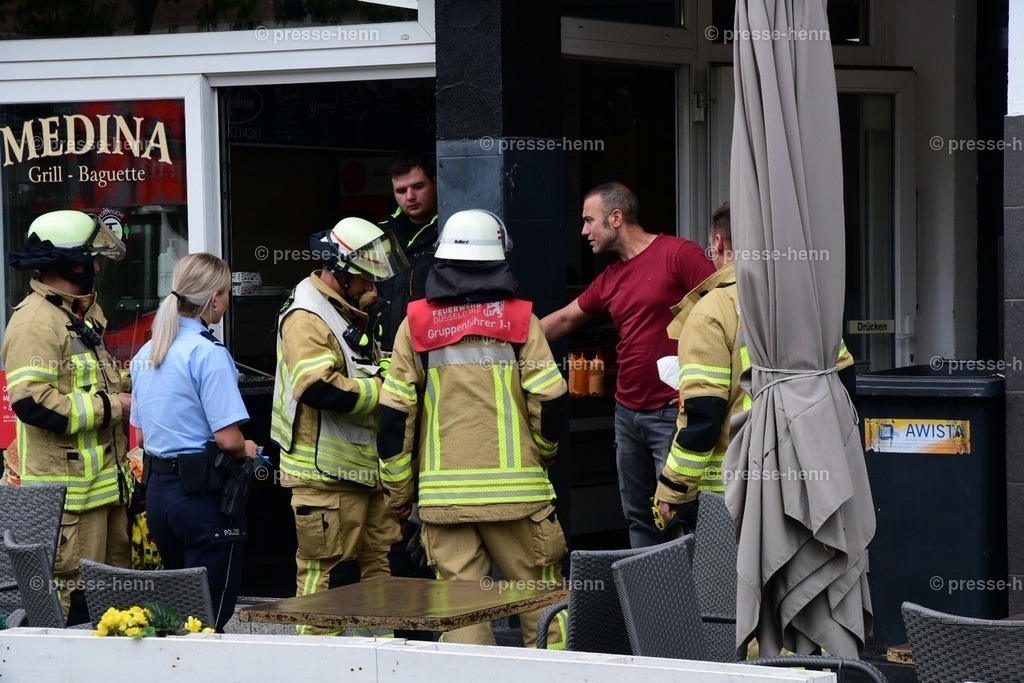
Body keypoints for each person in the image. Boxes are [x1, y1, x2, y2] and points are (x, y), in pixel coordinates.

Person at [377, 210, 569, 647]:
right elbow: (551, 399)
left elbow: (394, 417)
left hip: (445, 501)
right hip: (518, 498)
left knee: (462, 610)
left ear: (442, 258)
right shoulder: (521, 321)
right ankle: (555, 674)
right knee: (542, 603)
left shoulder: (415, 324)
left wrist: (399, 494)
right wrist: (543, 453)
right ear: (500, 260)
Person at [654, 202, 856, 530]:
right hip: (810, 482)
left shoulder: (710, 312)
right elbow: (844, 384)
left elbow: (703, 416)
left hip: (734, 493)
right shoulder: (809, 301)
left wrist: (673, 488)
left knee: (729, 567)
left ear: (718, 242)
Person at [541, 183, 714, 547]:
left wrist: (700, 388)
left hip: (672, 411)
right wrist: (504, 342)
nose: (583, 231)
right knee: (638, 516)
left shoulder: (678, 254)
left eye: (589, 220)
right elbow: (565, 320)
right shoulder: (611, 278)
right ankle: (646, 587)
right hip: (627, 414)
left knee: (677, 514)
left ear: (616, 218)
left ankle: (687, 587)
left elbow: (722, 312)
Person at [270, 217, 408, 635]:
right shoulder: (307, 315)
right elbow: (317, 388)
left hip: (364, 471)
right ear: (341, 272)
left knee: (378, 568)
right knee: (322, 575)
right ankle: (318, 659)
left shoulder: (348, 308)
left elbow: (364, 365)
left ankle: (380, 656)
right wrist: (382, 390)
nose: (373, 287)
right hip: (323, 477)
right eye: (366, 278)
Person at [2, 209, 132, 624]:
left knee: (114, 604)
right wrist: (113, 406)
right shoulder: (35, 321)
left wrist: (136, 380)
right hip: (66, 502)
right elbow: (32, 403)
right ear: (69, 263)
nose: (97, 268)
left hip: (102, 492)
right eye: (91, 259)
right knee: (66, 606)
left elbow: (88, 379)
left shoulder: (78, 314)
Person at [130, 252, 258, 631]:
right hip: (202, 500)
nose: (227, 300)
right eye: (227, 292)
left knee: (179, 615)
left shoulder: (146, 353)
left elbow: (140, 434)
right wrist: (249, 448)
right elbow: (228, 439)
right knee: (207, 618)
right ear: (214, 299)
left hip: (160, 498)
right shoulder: (208, 353)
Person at [369, 152, 440, 356]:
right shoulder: (379, 233)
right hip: (385, 352)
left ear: (435, 183)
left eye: (418, 186)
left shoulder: (452, 231)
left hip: (433, 350)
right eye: (401, 190)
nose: (410, 197)